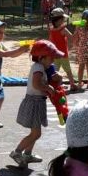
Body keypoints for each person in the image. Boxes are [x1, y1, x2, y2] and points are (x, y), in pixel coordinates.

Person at [9, 40, 61, 168]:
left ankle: (27, 154)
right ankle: (17, 152)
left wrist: (55, 80)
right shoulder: (38, 68)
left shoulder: (42, 67)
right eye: (51, 57)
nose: (53, 60)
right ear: (41, 57)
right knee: (36, 133)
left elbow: (47, 80)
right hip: (34, 103)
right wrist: (48, 88)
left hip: (37, 102)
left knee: (35, 133)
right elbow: (36, 84)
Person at [49, 8, 79, 92]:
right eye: (62, 19)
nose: (63, 20)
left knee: (54, 71)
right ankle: (72, 85)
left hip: (55, 54)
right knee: (68, 70)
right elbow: (72, 38)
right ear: (59, 20)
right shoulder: (63, 29)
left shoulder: (51, 29)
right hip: (63, 54)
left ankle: (52, 85)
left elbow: (50, 41)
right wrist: (77, 29)